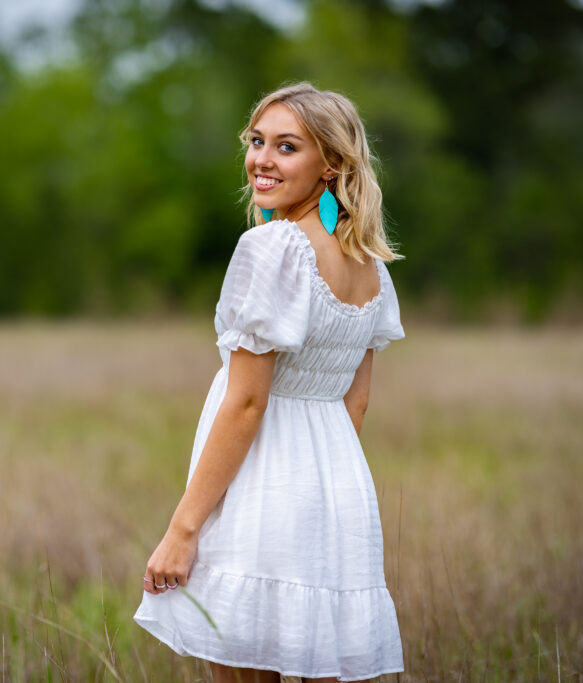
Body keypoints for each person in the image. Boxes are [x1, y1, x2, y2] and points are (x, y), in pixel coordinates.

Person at [133, 82, 405, 682]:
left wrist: (183, 530)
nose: (262, 159)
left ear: (330, 164)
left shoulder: (272, 246)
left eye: (287, 147)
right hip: (333, 498)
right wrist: (317, 488)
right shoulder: (369, 265)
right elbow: (353, 403)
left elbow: (249, 401)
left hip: (261, 492)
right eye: (257, 142)